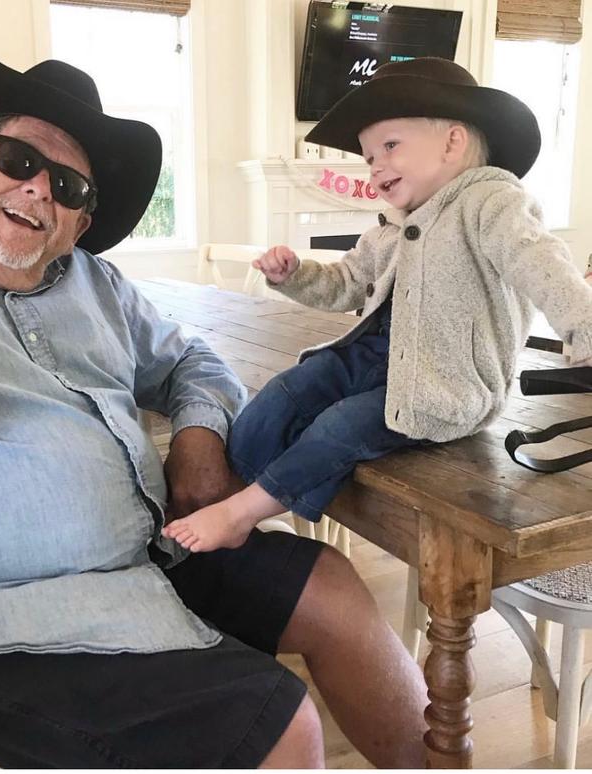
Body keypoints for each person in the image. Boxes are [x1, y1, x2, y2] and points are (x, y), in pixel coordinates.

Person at [0, 42, 429, 768]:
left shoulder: (92, 283)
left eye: (71, 189)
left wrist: (199, 436)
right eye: (18, 161)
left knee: (330, 585)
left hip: (148, 553)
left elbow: (191, 361)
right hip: (0, 621)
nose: (42, 190)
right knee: (277, 722)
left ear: (79, 221)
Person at [163, 56, 592, 554]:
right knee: (286, 391)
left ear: (452, 143)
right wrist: (295, 274)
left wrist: (584, 330)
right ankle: (232, 489)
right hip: (371, 359)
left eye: (390, 146)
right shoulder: (394, 225)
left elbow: (540, 263)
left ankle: (243, 513)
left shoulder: (492, 203)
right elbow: (346, 283)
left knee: (340, 426)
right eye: (369, 157)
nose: (376, 166)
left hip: (444, 382)